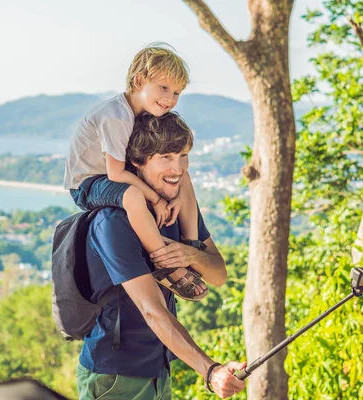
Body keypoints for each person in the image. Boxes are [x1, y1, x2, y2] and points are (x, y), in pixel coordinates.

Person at [76, 112, 246, 400]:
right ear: (138, 162)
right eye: (165, 157)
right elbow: (153, 311)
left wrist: (191, 254)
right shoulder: (113, 222)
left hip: (158, 369)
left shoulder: (174, 209)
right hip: (115, 377)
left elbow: (218, 275)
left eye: (183, 155)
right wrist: (210, 370)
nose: (178, 167)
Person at [64, 43, 206, 301]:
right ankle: (169, 267)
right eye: (164, 88)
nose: (170, 99)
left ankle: (191, 245)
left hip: (112, 175)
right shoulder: (117, 116)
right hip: (88, 182)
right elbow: (117, 174)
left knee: (182, 175)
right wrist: (158, 199)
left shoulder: (145, 113)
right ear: (139, 80)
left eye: (176, 92)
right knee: (132, 196)